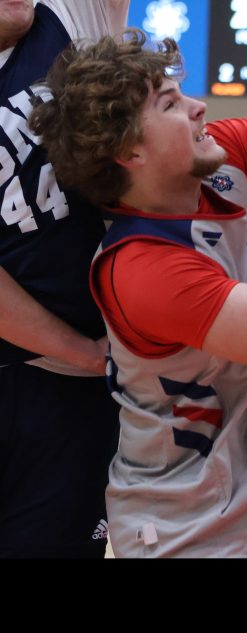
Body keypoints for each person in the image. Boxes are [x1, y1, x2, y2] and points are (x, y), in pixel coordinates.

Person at [30, 29, 247, 557]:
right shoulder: (145, 269)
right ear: (129, 151)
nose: (198, 106)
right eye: (171, 104)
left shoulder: (217, 162)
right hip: (191, 531)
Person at [0, 0, 129, 558]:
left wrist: (89, 360)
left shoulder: (70, 19)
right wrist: (85, 353)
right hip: (68, 363)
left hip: (70, 398)